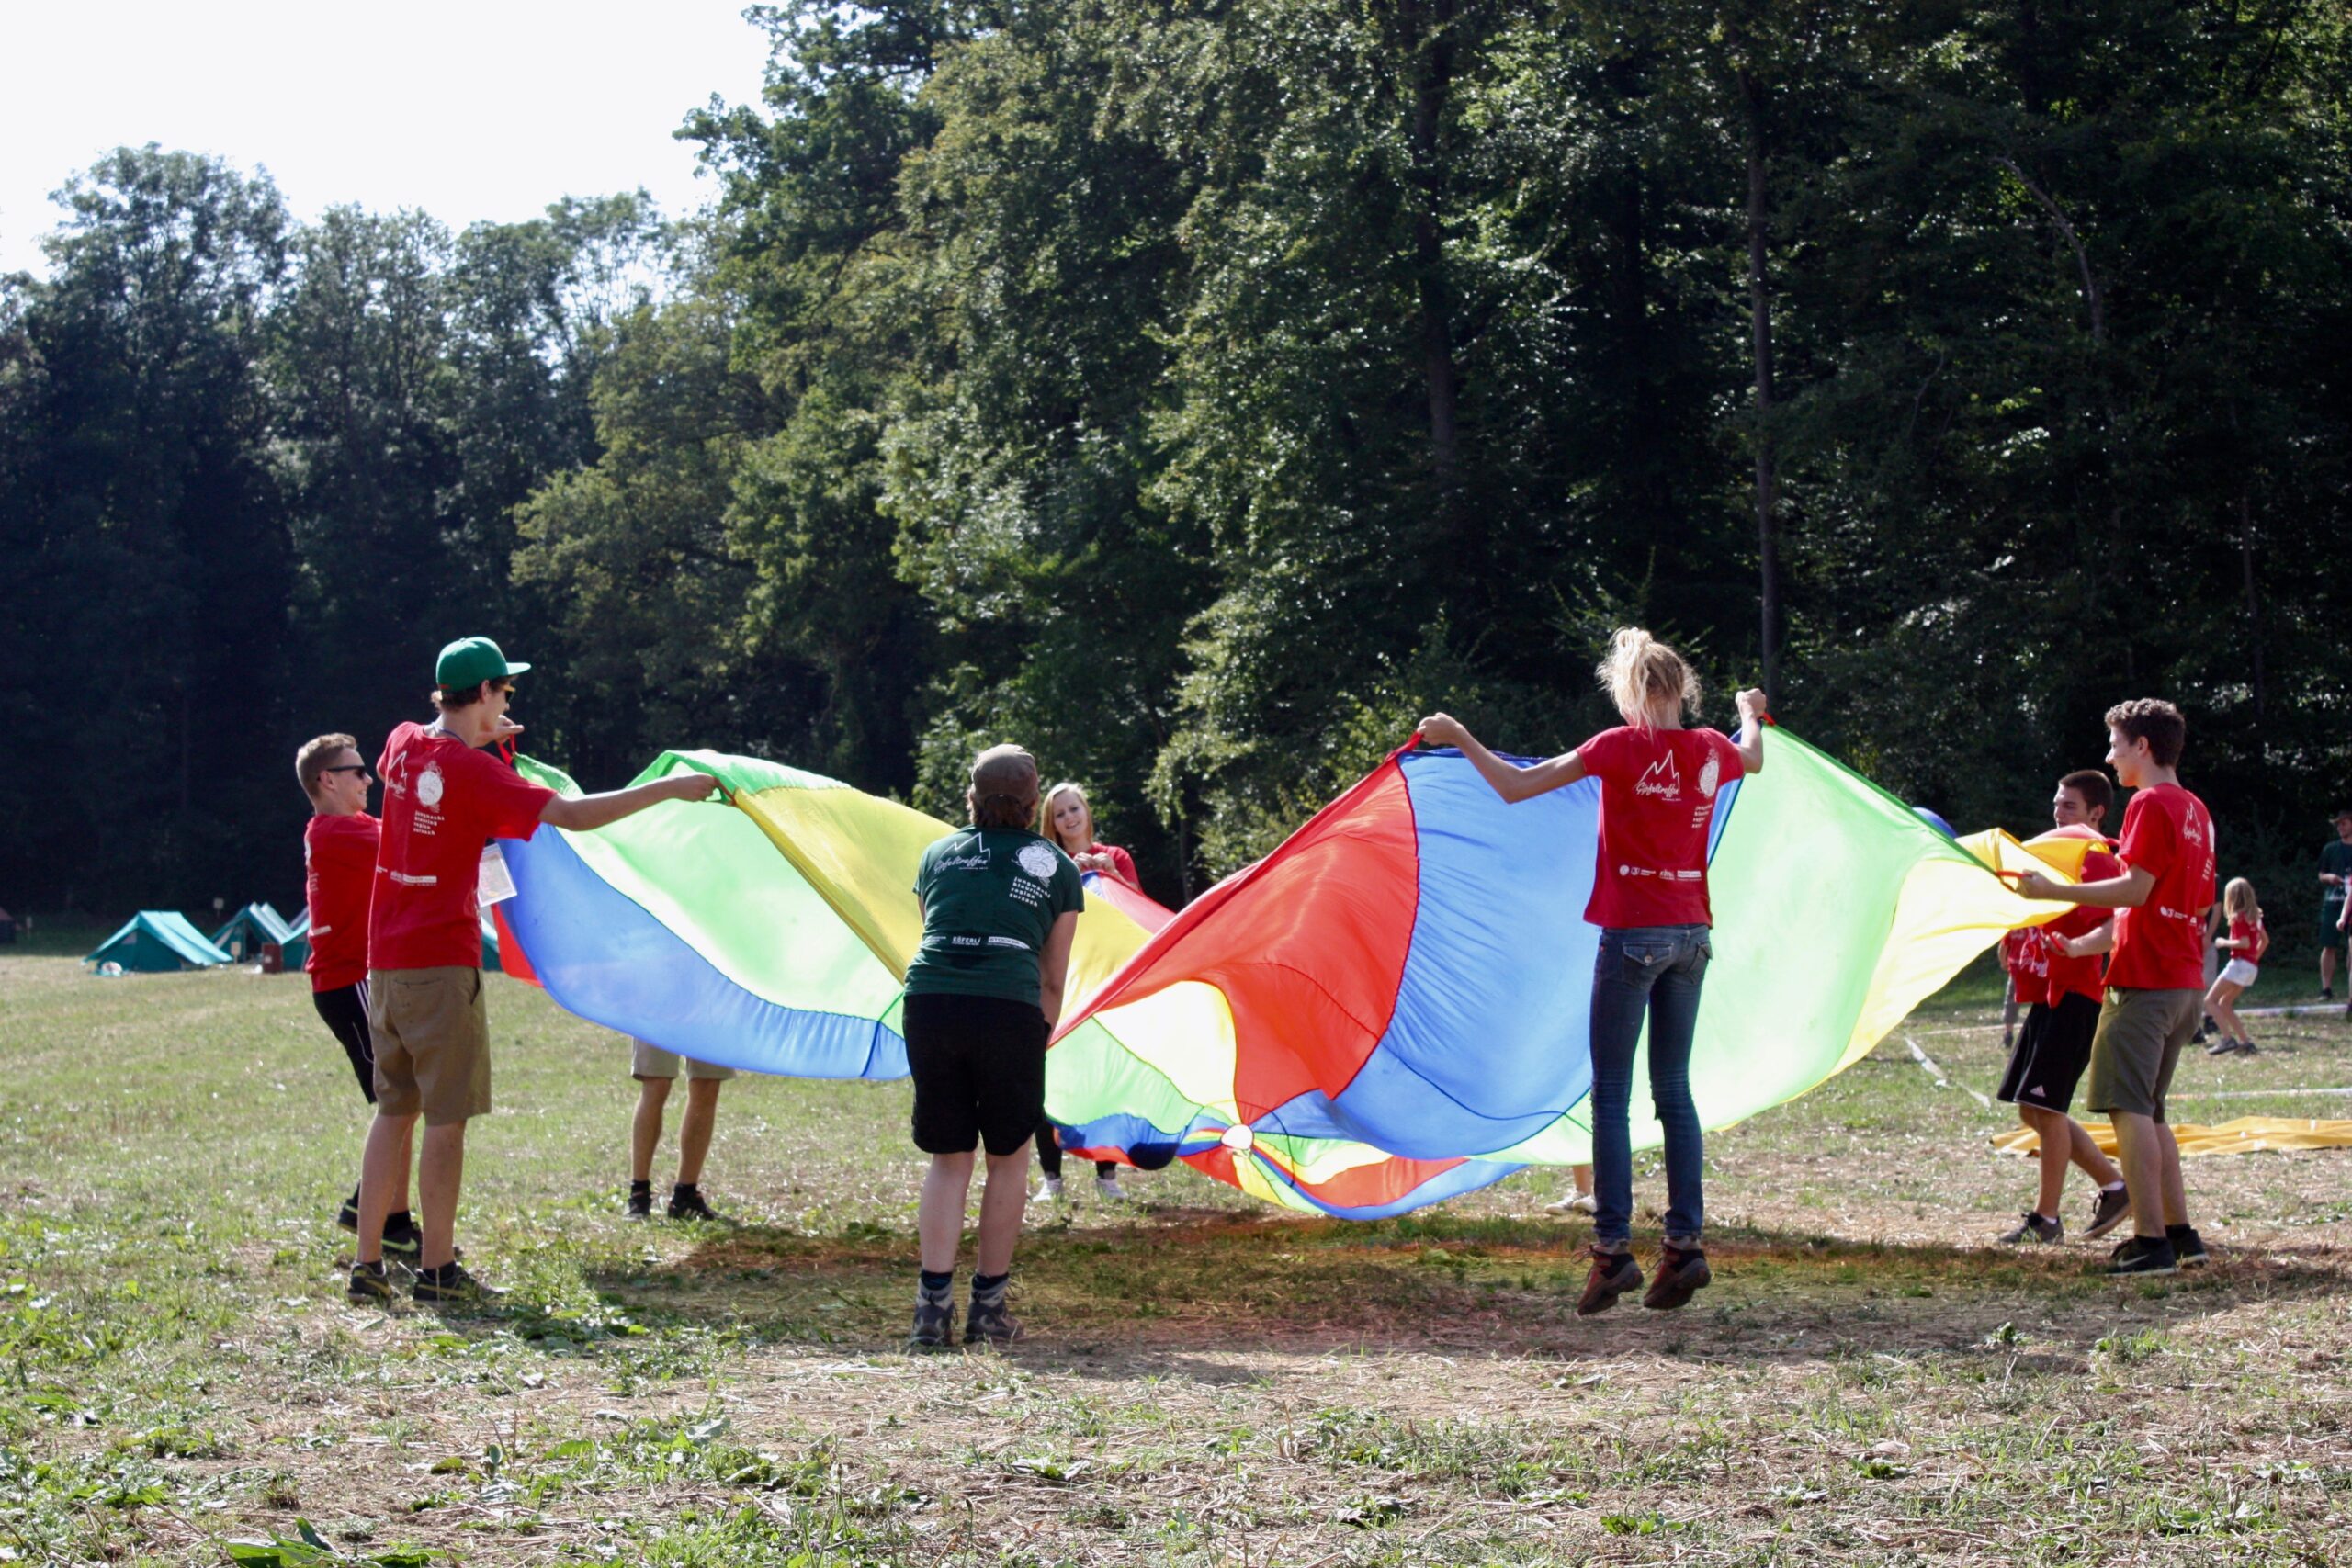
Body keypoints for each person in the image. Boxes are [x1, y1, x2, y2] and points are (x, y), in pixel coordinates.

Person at [348, 637, 719, 1307]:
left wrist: (486, 737)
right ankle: (437, 1269)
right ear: (485, 692)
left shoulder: (402, 742)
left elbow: (428, 765)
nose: (509, 703)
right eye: (505, 693)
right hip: (441, 964)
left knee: (392, 1111)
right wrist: (667, 790)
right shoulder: (479, 775)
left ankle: (368, 1264)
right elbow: (573, 817)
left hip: (387, 961)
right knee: (446, 1119)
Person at [1420, 629, 1766, 1316]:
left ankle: (1612, 1253)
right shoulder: (1710, 749)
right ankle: (1686, 1244)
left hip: (1632, 936)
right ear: (1681, 689)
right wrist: (1749, 707)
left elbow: (1517, 787)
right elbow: (1753, 755)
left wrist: (1459, 734)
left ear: (1634, 692)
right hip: (1692, 937)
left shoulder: (1616, 747)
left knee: (1611, 1096)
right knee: (1675, 1092)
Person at [2018, 699, 2215, 1277]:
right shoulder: (2197, 810)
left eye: (2116, 744)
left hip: (2145, 982)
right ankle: (2181, 1235)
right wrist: (2087, 946)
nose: (2110, 756)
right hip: (2183, 983)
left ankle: (2149, 1241)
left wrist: (2051, 893)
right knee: (2151, 1113)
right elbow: (2198, 902)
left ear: (2143, 747)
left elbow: (2135, 891)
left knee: (2129, 1110)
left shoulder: (2150, 804)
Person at [904, 745, 1084, 1348]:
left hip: (931, 1003)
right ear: (1035, 804)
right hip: (1009, 1009)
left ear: (971, 797)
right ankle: (988, 1310)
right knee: (1008, 1157)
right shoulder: (1056, 866)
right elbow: (1053, 977)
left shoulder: (937, 854)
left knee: (948, 1157)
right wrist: (1039, 1033)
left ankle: (931, 1310)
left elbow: (935, 927)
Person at [296, 732, 421, 1259]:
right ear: (327, 780)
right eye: (358, 771)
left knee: (404, 1097)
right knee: (398, 1100)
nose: (370, 779)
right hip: (349, 984)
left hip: (359, 981)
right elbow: (408, 840)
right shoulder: (334, 833)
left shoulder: (355, 826)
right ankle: (367, 1207)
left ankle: (392, 1220)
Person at [1992, 770, 2130, 1247]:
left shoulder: (2097, 859)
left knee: (2045, 1110)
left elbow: (2113, 921)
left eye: (2068, 806)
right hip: (2049, 996)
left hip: (2077, 996)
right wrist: (2014, 937)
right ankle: (2115, 1186)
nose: (2058, 812)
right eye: (2056, 803)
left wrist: (2076, 949)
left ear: (2096, 813)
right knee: (2032, 1110)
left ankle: (2046, 1219)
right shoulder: (2057, 851)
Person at [1033, 782, 1134, 1202]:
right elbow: (1037, 912)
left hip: (1104, 984)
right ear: (1051, 824)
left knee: (1103, 1075)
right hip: (1060, 981)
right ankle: (1051, 1179)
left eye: (1074, 809)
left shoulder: (1118, 857)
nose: (1069, 818)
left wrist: (1108, 875)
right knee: (1046, 1076)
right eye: (1059, 814)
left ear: (1087, 811)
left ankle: (1106, 1177)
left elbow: (1136, 913)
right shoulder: (1046, 862)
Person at [626, 1039, 732, 1220]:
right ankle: (638, 1194)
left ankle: (685, 1196)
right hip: (660, 1010)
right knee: (656, 1081)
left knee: (708, 1083)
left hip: (711, 1011)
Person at [2203, 878, 2268, 1055]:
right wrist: (2254, 958)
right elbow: (2264, 940)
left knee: (2210, 1001)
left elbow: (2244, 942)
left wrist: (2224, 942)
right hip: (2250, 968)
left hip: (2238, 965)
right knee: (2225, 1003)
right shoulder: (2255, 916)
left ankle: (2227, 1039)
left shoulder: (2239, 918)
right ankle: (2246, 1042)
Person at [2319, 811, 2352, 999]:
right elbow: (2321, 874)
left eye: (2344, 824)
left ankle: (2350, 989)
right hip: (2333, 902)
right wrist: (2329, 877)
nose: (2341, 828)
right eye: (2338, 825)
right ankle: (2326, 988)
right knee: (2328, 945)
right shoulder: (2330, 849)